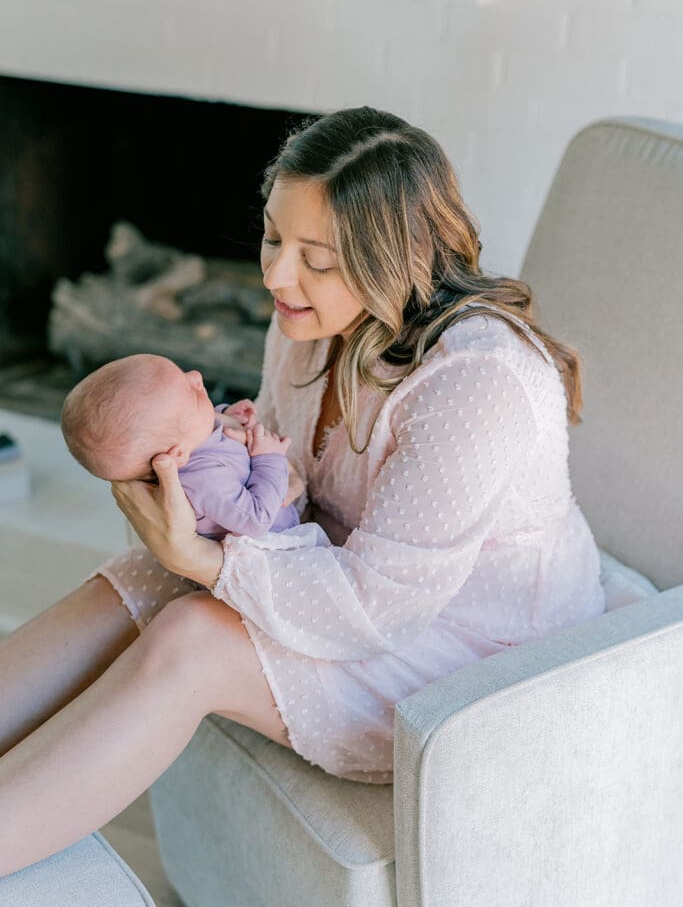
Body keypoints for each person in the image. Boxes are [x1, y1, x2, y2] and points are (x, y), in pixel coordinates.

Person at [0, 105, 606, 877]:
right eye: (273, 237)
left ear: (394, 260)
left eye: (315, 259)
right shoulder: (305, 327)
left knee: (193, 637)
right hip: (345, 574)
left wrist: (211, 565)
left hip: (471, 654)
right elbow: (285, 496)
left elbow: (377, 607)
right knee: (141, 579)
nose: (276, 275)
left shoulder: (478, 382)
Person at [60, 352, 300, 539]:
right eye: (192, 394)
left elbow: (198, 430)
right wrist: (268, 457)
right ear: (177, 455)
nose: (196, 376)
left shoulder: (186, 441)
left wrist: (228, 415)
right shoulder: (204, 480)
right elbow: (256, 521)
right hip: (272, 555)